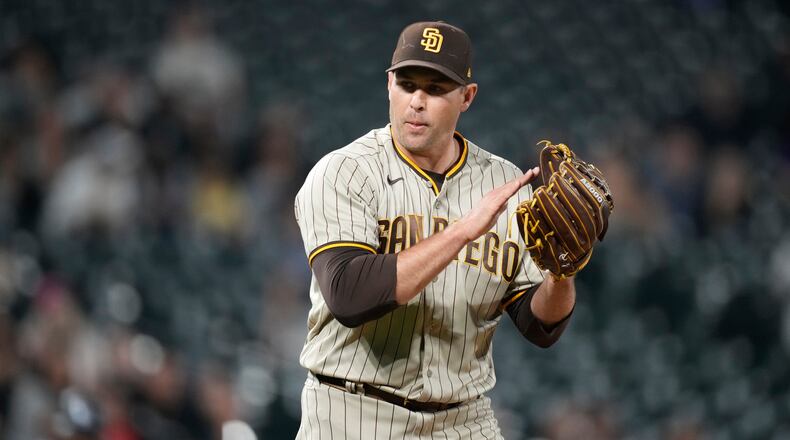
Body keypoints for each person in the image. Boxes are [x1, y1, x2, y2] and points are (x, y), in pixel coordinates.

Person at [293, 21, 576, 439]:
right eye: (408, 85)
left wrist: (562, 272)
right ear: (389, 85)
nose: (418, 102)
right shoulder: (345, 172)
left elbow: (538, 326)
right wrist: (461, 231)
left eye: (436, 88)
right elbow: (349, 296)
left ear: (467, 96)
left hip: (462, 420)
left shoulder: (505, 182)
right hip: (351, 412)